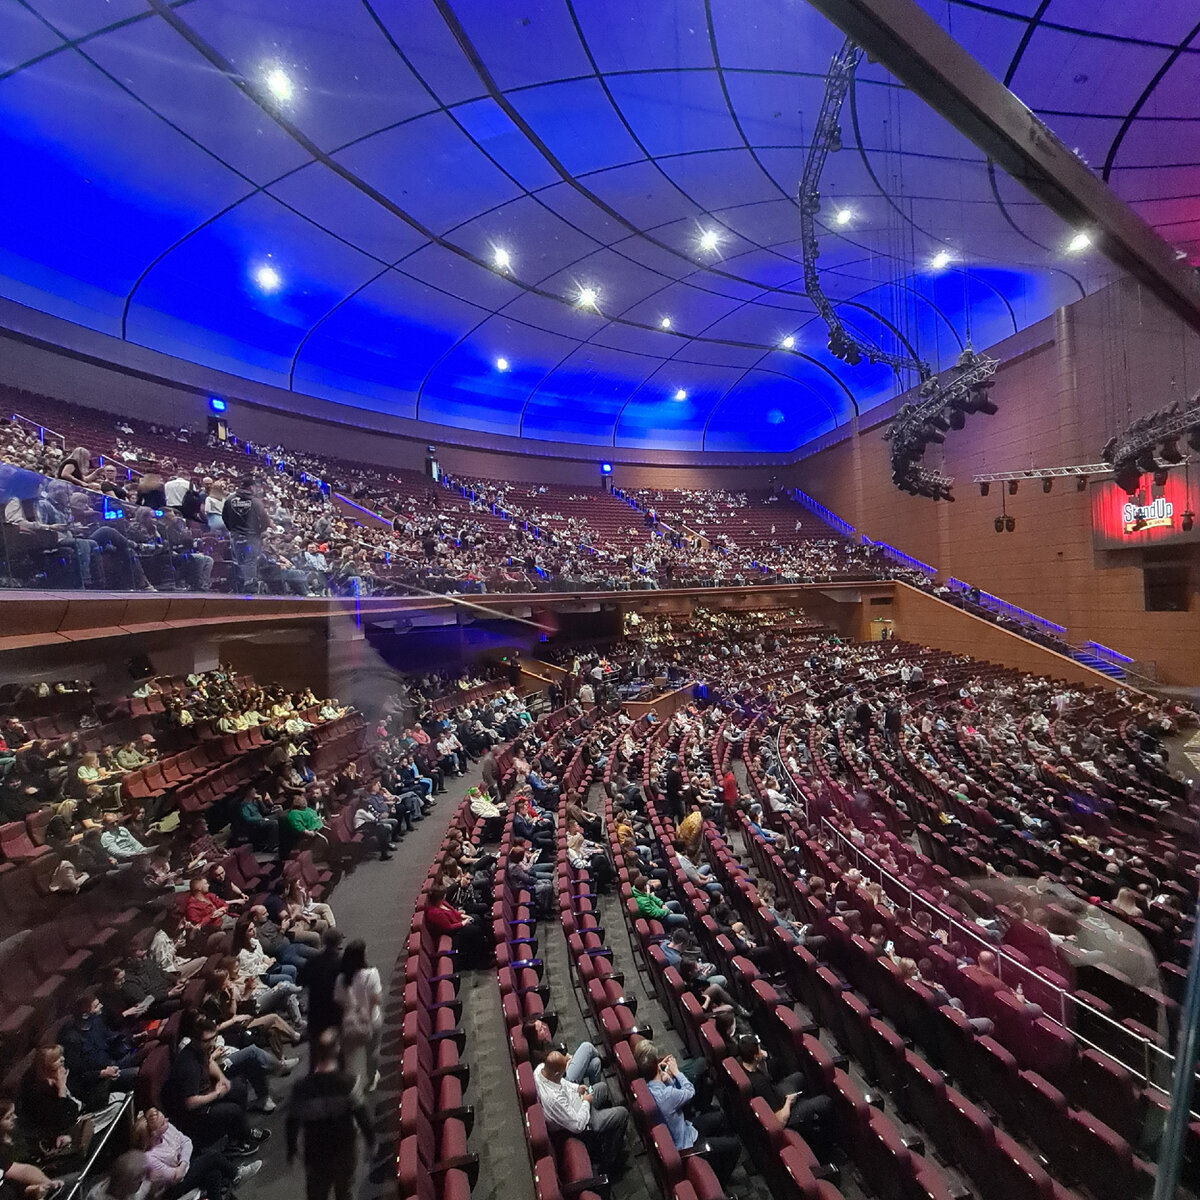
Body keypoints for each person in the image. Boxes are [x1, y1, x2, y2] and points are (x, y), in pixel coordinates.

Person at [285, 1030, 375, 1200]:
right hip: (344, 1150)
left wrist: (292, 1148)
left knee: (317, 1194)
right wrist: (370, 1142)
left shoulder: (301, 1088)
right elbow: (362, 1116)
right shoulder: (348, 1083)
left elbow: (292, 1121)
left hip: (316, 1154)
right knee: (344, 1192)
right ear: (337, 1050)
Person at [161, 1018, 268, 1157]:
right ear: (194, 1040)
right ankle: (235, 1145)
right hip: (195, 1114)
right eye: (207, 1040)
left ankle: (242, 1131)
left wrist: (221, 1079)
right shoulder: (188, 1066)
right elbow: (190, 1103)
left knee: (238, 1088)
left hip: (206, 1092)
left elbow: (209, 1061)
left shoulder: (201, 1049)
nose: (212, 1043)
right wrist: (217, 1094)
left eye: (214, 1038)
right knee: (232, 1110)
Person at [643, 1045, 739, 1186]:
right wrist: (676, 1072)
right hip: (687, 1144)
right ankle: (721, 1181)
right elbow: (689, 1091)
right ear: (657, 1068)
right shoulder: (666, 1095)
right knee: (735, 1146)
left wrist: (666, 1079)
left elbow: (674, 1097)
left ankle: (716, 1159)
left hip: (685, 1128)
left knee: (720, 1117)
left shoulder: (648, 1086)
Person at [736, 1035, 836, 1160]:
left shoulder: (741, 1062)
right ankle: (828, 1144)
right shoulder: (760, 1085)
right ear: (755, 1056)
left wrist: (761, 1062)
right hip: (784, 1112)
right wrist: (789, 1101)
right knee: (825, 1101)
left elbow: (767, 1077)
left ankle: (809, 1114)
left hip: (777, 1093)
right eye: (759, 1049)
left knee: (799, 1077)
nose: (762, 1050)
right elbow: (779, 1120)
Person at [533, 1051, 628, 1176]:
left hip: (578, 1101)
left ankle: (602, 1135)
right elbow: (577, 1125)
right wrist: (586, 1102)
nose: (563, 1074)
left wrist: (575, 1088)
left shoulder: (541, 1069)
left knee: (602, 1088)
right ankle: (608, 1162)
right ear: (556, 1073)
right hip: (582, 1120)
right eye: (562, 1072)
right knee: (622, 1113)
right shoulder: (553, 1100)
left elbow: (561, 1082)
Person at [135, 1105, 259, 1199]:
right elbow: (175, 1177)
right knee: (212, 1157)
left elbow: (186, 1142)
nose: (167, 1120)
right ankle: (237, 1174)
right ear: (154, 1133)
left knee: (213, 1173)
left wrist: (183, 1162)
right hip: (171, 1191)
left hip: (186, 1168)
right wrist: (185, 1162)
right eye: (163, 1123)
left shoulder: (167, 1130)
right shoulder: (149, 1158)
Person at [333, 941, 382, 1093]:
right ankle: (372, 1077)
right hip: (371, 1019)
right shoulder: (371, 974)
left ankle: (353, 1084)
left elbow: (339, 1001)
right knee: (372, 1052)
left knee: (350, 1056)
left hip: (349, 1022)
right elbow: (377, 999)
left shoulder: (341, 978)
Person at [296, 929, 345, 1046]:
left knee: (316, 1053)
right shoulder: (341, 963)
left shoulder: (313, 961)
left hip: (315, 1014)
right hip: (335, 1014)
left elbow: (300, 981)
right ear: (339, 942)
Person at [521, 1020, 602, 1086]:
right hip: (564, 1082)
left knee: (596, 1063)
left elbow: (562, 1054)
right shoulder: (537, 1056)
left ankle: (595, 1099)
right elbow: (559, 1072)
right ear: (534, 1036)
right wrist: (569, 1060)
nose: (545, 1027)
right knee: (586, 1046)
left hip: (566, 1070)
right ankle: (606, 1060)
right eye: (541, 1029)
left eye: (542, 1024)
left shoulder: (543, 1043)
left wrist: (568, 1058)